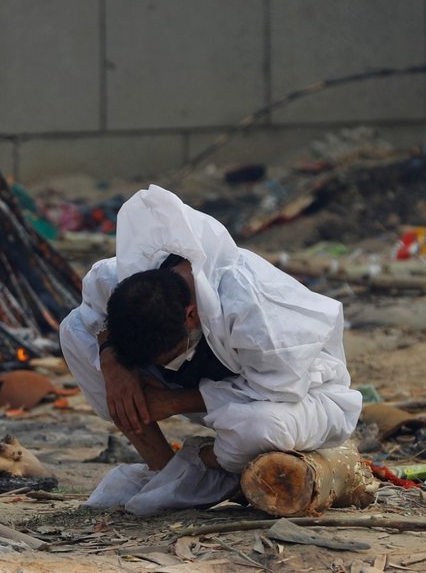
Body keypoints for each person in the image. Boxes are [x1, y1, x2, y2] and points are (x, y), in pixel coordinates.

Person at [60, 185, 362, 515]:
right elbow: (92, 314)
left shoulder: (258, 319)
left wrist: (172, 402)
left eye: (167, 358)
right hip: (209, 391)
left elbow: (270, 394)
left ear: (191, 315)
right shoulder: (120, 277)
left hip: (301, 397)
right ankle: (163, 468)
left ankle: (203, 466)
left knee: (263, 428)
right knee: (74, 331)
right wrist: (112, 361)